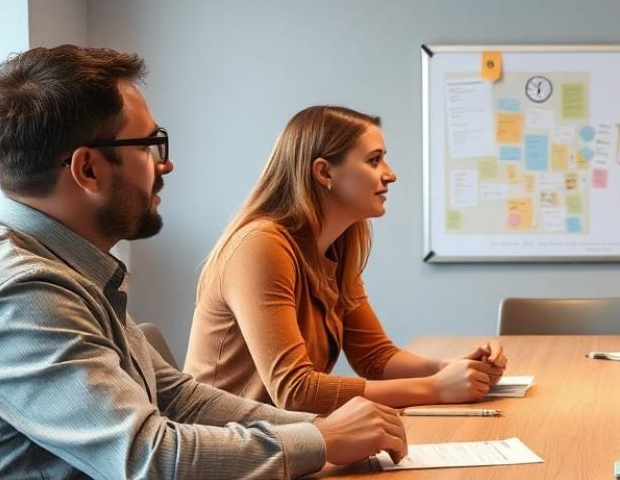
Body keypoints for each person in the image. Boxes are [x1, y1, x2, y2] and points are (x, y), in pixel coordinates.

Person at [0, 46, 407, 480]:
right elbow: (151, 462)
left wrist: (322, 430)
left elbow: (178, 396)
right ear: (86, 168)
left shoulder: (68, 265)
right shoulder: (24, 293)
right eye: (152, 144)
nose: (166, 163)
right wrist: (321, 442)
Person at [185, 106, 505, 415]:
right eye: (374, 160)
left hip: (284, 441)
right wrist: (434, 388)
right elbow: (296, 392)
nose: (390, 174)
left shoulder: (336, 246)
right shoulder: (260, 246)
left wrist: (450, 369)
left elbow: (375, 358)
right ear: (324, 172)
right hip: (229, 450)